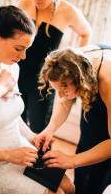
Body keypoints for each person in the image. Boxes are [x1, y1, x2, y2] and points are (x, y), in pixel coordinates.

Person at [0, 5, 75, 194]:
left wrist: (32, 136)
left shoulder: (11, 69)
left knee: (68, 188)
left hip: (19, 149)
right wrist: (7, 155)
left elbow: (10, 115)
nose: (23, 56)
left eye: (26, 49)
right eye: (19, 48)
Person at [17, 0, 91, 133]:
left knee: (40, 129)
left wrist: (75, 64)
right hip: (18, 74)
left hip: (45, 82)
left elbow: (86, 33)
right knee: (17, 126)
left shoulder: (68, 11)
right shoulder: (23, 3)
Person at [34, 45, 111, 194]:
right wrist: (51, 127)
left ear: (80, 82)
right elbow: (64, 100)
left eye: (64, 91)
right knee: (86, 149)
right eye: (57, 90)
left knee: (98, 174)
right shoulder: (68, 63)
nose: (60, 96)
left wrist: (71, 160)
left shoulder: (108, 80)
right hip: (94, 92)